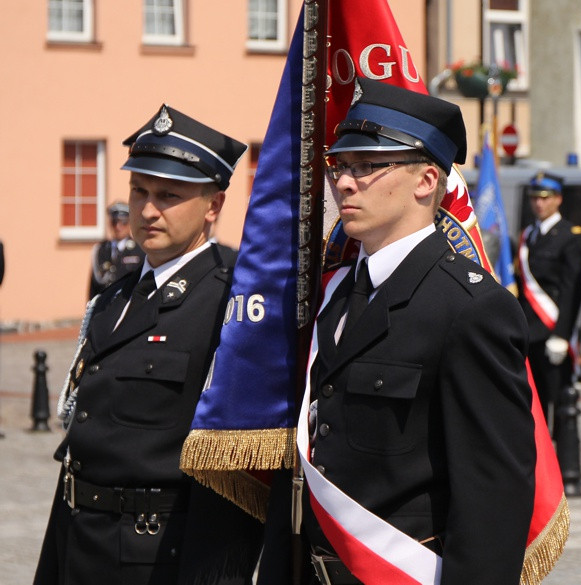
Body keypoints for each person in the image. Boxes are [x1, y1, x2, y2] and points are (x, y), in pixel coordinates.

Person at [297, 77, 535, 585]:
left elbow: (492, 497)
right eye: (341, 166)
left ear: (427, 181)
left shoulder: (471, 308)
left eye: (367, 167)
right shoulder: (335, 293)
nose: (343, 183)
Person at [34, 104, 263, 585]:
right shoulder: (114, 296)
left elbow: (231, 470)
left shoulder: (233, 302)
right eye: (139, 191)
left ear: (213, 207)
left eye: (168, 195)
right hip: (81, 546)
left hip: (157, 556)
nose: (147, 210)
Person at [516, 172, 581, 426]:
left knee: (562, 405)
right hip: (529, 330)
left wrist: (562, 334)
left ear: (558, 199)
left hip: (551, 329)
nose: (539, 204)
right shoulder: (529, 235)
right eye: (535, 198)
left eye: (545, 198)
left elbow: (572, 290)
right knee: (533, 403)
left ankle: (565, 464)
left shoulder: (570, 235)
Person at [88, 201, 145, 299]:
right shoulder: (101, 249)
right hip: (103, 307)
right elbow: (94, 285)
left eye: (123, 222)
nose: (118, 227)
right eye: (114, 222)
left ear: (130, 223)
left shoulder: (139, 249)